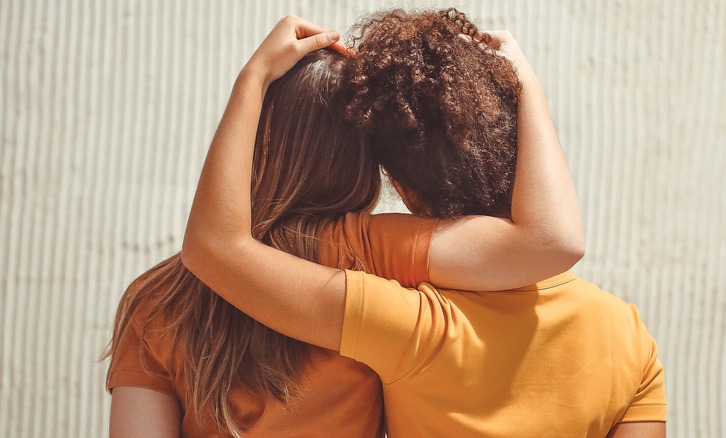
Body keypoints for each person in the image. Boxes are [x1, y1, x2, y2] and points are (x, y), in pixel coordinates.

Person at [182, 9, 666, 438]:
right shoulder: (630, 339)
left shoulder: (409, 327)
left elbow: (214, 248)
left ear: (403, 187)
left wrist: (254, 77)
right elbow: (557, 241)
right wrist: (527, 88)